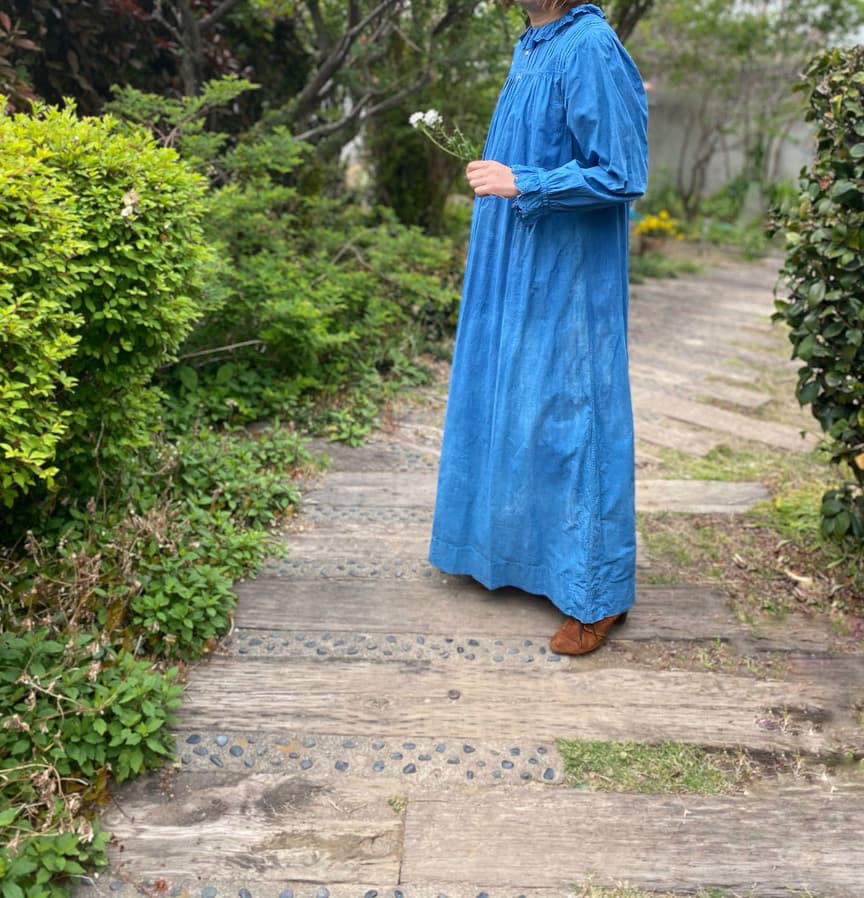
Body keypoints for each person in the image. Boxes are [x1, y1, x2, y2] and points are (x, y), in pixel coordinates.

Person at [427, 0, 648, 655]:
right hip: (514, 262)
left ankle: (599, 593)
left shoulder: (590, 45)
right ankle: (516, 553)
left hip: (566, 271)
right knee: (515, 402)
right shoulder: (533, 42)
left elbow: (622, 171)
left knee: (574, 415)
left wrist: (523, 181)